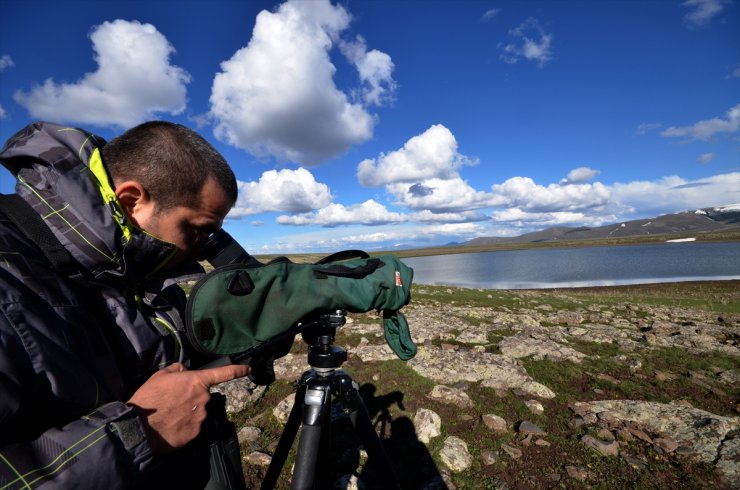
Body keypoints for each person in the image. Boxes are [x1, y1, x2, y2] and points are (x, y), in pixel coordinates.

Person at [0, 121, 250, 488]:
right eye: (196, 229)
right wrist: (141, 431)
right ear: (131, 202)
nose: (202, 247)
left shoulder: (118, 266)